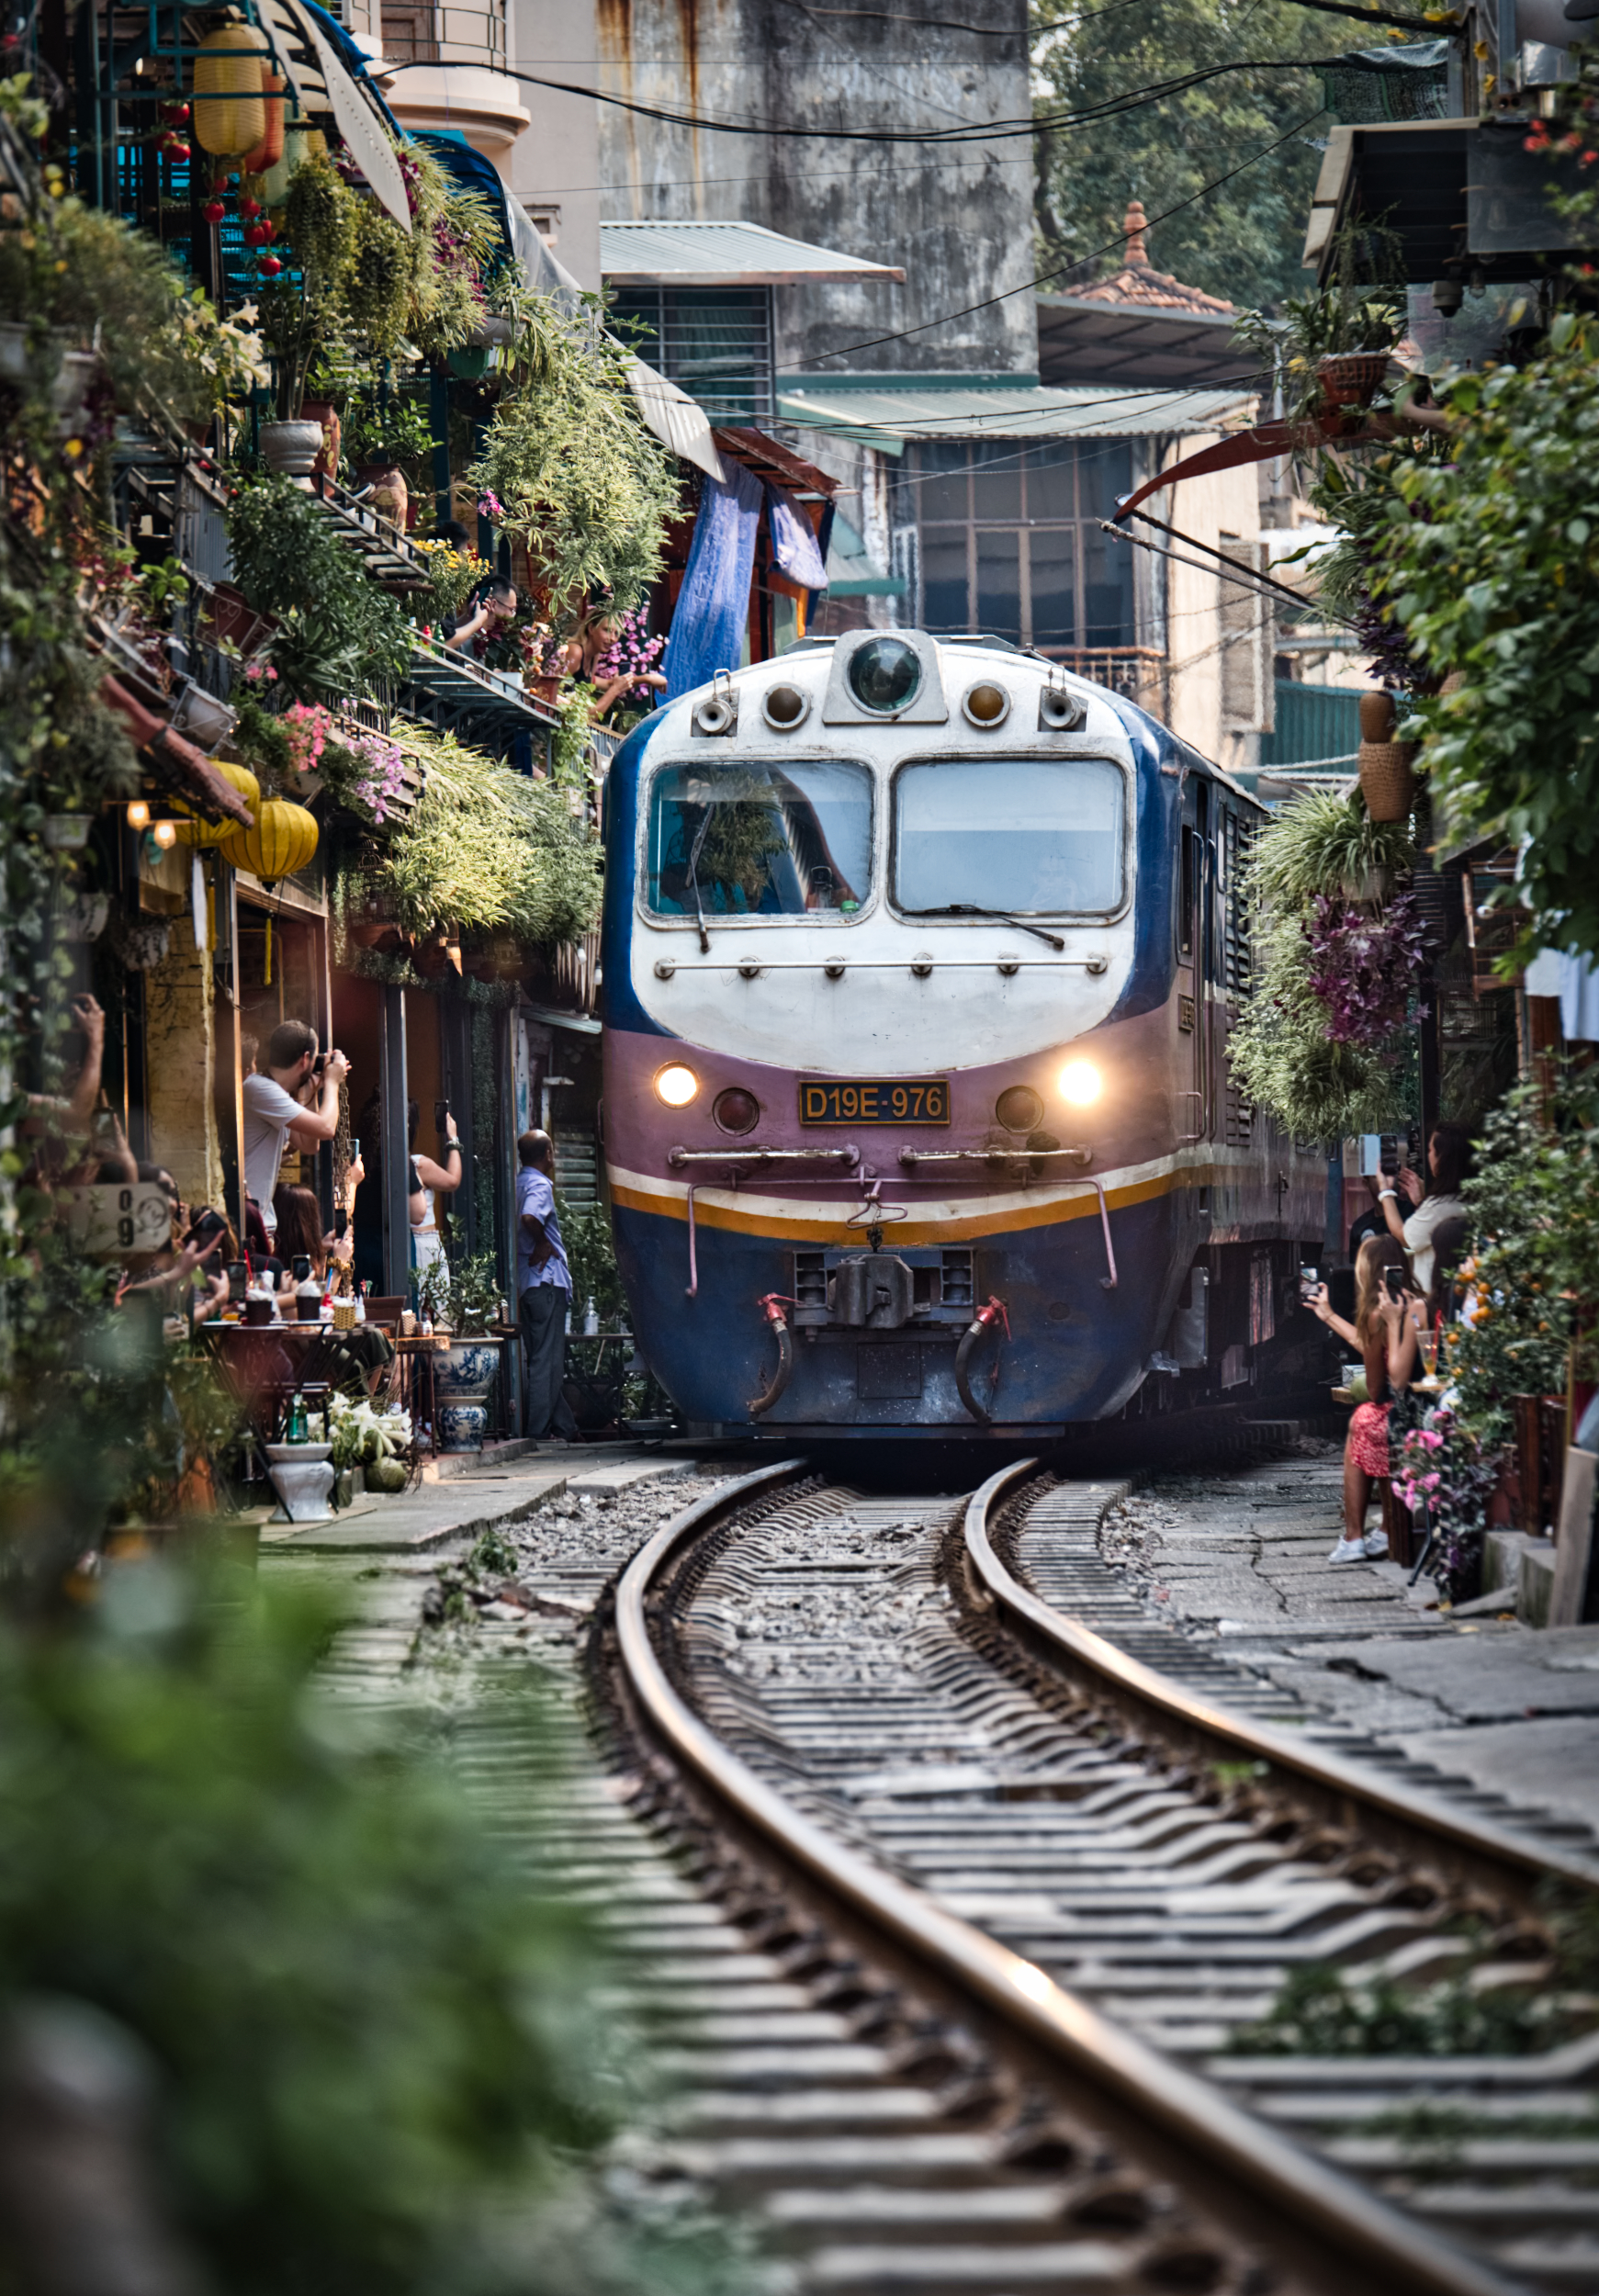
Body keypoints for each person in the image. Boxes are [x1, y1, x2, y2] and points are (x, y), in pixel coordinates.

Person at [1308, 1233, 1421, 1564]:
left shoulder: (1377, 1315)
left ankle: (1353, 1535)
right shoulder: (1416, 1302)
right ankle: (1386, 1528)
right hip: (1422, 1406)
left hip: (1402, 1411)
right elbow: (1374, 1345)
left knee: (1364, 1419)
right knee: (1371, 1421)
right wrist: (1328, 1315)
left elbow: (1376, 1388)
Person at [242, 1021, 348, 1242]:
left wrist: (309, 1087)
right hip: (248, 1221)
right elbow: (326, 1128)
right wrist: (332, 1083)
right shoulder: (260, 1089)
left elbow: (309, 1144)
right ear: (305, 1059)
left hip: (257, 1222)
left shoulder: (273, 1093)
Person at [515, 1129, 579, 1445]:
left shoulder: (517, 1182)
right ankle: (538, 1434)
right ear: (548, 1154)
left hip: (527, 1285)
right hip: (546, 1282)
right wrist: (542, 1241)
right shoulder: (539, 1184)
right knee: (546, 1361)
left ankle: (566, 1428)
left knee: (543, 1359)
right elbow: (530, 1218)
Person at [1375, 1122, 1471, 1298]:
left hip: (1433, 1295)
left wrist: (1385, 1191)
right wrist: (1422, 1201)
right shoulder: (1467, 1197)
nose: (1428, 1156)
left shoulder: (1439, 1205)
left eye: (1430, 1150)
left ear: (1443, 1157)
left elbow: (1404, 1237)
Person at [409, 1103, 462, 1291]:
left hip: (408, 1242)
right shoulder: (417, 1164)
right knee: (433, 1303)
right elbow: (452, 1181)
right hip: (424, 1241)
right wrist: (453, 1139)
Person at [444, 573, 516, 656]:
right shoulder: (474, 642)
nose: (512, 616)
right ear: (493, 605)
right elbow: (448, 639)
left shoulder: (502, 640)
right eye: (512, 609)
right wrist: (478, 621)